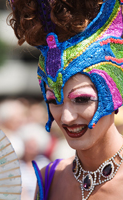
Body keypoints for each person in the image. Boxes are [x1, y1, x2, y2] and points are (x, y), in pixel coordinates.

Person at [7, 0, 123, 199]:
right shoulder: (48, 180)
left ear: (114, 92)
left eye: (81, 99)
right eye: (54, 101)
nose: (66, 118)